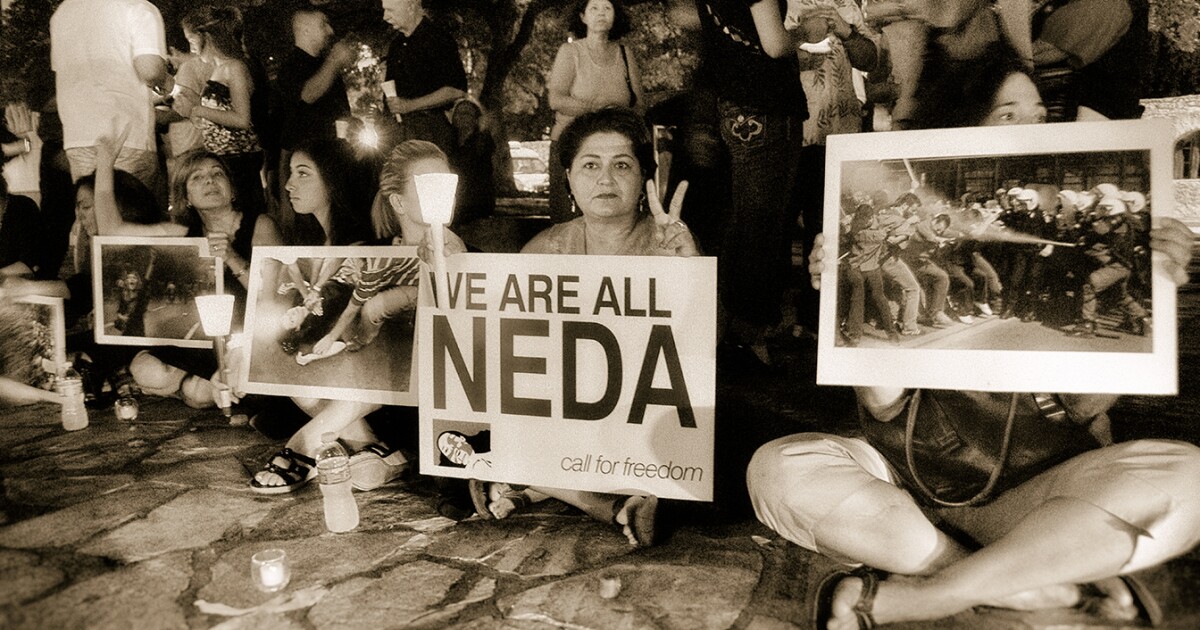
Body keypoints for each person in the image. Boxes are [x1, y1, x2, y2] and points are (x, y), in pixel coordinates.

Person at [746, 43, 1200, 629]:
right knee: (778, 468)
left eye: (1039, 115)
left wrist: (1157, 292)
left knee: (1188, 475)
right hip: (912, 489)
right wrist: (835, 285)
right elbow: (882, 407)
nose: (1031, 127)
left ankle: (931, 594)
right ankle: (1020, 585)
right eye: (1007, 114)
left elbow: (1086, 409)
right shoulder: (935, 220)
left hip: (1038, 494)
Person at [469, 107, 697, 547]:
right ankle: (605, 505)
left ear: (644, 180)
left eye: (622, 165)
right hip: (566, 413)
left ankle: (539, 486)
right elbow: (507, 356)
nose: (606, 179)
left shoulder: (671, 242)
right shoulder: (543, 250)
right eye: (590, 165)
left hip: (638, 418)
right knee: (470, 444)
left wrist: (688, 271)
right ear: (569, 179)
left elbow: (706, 348)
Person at [248, 139, 464, 495]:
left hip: (426, 402)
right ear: (398, 202)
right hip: (369, 404)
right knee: (300, 362)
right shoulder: (369, 254)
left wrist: (458, 264)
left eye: (447, 181)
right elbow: (337, 303)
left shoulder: (476, 259)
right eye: (429, 183)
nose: (443, 191)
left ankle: (305, 444)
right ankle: (378, 450)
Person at [694, 0, 806, 367]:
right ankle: (748, 334)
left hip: (733, 105)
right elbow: (775, 44)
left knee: (742, 221)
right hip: (767, 104)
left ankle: (726, 327)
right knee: (762, 226)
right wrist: (808, 32)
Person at [50, 0, 173, 187]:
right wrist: (167, 82)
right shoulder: (137, 7)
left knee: (92, 202)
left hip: (78, 137)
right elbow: (150, 70)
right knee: (132, 203)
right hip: (126, 135)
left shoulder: (63, 12)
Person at [545, 0, 645, 221]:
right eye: (594, 8)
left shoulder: (625, 53)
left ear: (615, 16)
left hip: (615, 150)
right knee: (569, 220)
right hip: (571, 147)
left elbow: (639, 105)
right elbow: (556, 100)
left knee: (615, 218)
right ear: (583, 17)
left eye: (607, 8)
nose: (601, 13)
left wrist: (620, 120)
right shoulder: (570, 51)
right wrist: (599, 111)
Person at [173, 5, 266, 220]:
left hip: (239, 161)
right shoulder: (218, 69)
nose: (191, 47)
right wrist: (190, 111)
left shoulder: (235, 67)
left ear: (206, 36)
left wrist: (197, 109)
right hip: (224, 159)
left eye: (191, 40)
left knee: (245, 220)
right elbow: (218, 118)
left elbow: (242, 119)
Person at [274, 6, 354, 236]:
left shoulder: (324, 65)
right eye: (323, 24)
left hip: (332, 156)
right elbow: (308, 94)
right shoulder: (291, 66)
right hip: (303, 160)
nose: (330, 31)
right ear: (306, 29)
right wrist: (335, 60)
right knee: (306, 224)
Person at [380, 0, 468, 156]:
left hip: (428, 133)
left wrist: (409, 106)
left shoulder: (438, 40)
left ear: (410, 7)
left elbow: (456, 90)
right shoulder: (396, 45)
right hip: (397, 133)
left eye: (391, 10)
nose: (385, 17)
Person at [447, 98, 496, 231]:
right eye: (459, 113)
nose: (462, 117)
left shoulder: (482, 142)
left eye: (467, 113)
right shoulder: (448, 141)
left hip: (475, 204)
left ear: (476, 119)